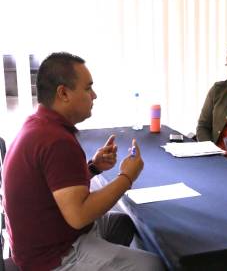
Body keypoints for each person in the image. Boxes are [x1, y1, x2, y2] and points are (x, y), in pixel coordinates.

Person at [2, 52, 164, 270]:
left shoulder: (38, 124)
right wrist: (127, 176)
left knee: (123, 224)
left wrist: (93, 167)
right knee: (152, 265)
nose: (94, 95)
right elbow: (79, 216)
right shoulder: (55, 140)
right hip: (52, 256)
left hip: (42, 239)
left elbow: (53, 185)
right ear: (63, 93)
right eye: (88, 88)